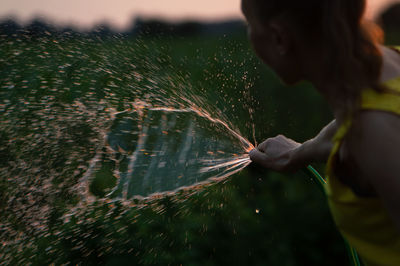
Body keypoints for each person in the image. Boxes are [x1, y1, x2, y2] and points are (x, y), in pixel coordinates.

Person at [242, 0, 400, 265]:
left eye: (249, 23)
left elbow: (373, 133)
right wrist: (299, 153)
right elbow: (361, 123)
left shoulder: (371, 135)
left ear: (280, 38)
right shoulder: (391, 63)